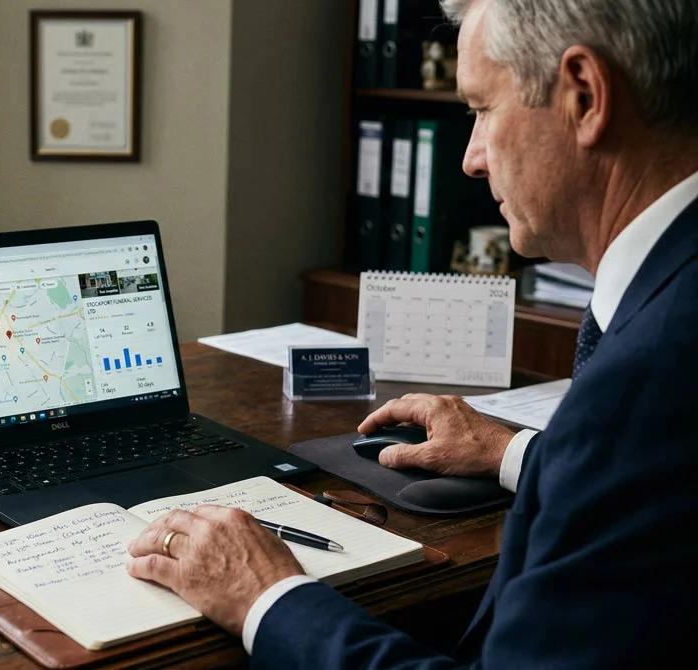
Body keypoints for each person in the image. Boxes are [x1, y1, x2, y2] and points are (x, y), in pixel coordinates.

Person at [126, 0, 698, 666]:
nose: (471, 160)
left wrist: (265, 597)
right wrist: (514, 453)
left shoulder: (656, 372)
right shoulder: (666, 297)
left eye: (481, 109)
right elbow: (651, 491)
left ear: (584, 95)